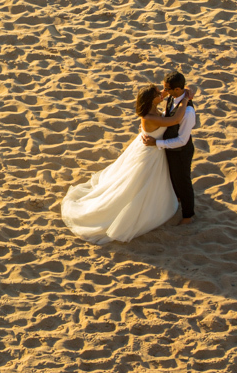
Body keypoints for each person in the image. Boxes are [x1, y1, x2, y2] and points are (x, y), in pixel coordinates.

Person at [61, 84, 194, 244]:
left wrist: (171, 92)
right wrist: (186, 98)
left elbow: (166, 97)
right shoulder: (149, 118)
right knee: (140, 182)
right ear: (152, 100)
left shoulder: (152, 110)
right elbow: (175, 119)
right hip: (149, 153)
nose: (162, 94)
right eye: (159, 93)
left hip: (153, 150)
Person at [141, 71, 196, 224]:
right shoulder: (173, 97)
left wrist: (157, 143)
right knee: (174, 178)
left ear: (177, 90)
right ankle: (177, 198)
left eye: (166, 88)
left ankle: (188, 216)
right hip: (169, 148)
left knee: (183, 182)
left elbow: (182, 140)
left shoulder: (188, 112)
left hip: (180, 151)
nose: (163, 91)